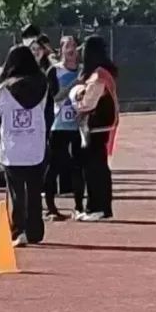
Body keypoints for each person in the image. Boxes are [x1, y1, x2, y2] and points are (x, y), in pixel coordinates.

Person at [0, 45, 48, 246]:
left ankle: (19, 230)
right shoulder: (42, 84)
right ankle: (35, 231)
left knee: (16, 192)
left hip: (12, 146)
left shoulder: (1, 89)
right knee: (34, 191)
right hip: (36, 144)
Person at [69, 35, 118, 222]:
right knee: (98, 167)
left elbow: (88, 103)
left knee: (95, 168)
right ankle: (100, 207)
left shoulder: (98, 76)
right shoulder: (102, 73)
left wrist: (75, 97)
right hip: (99, 126)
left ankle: (97, 207)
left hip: (98, 126)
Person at [45, 35, 84, 219]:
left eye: (74, 45)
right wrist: (74, 84)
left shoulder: (84, 70)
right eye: (67, 46)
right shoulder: (55, 71)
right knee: (54, 166)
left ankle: (79, 207)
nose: (71, 49)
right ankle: (50, 207)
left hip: (79, 126)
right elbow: (56, 97)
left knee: (78, 167)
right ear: (60, 50)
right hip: (59, 125)